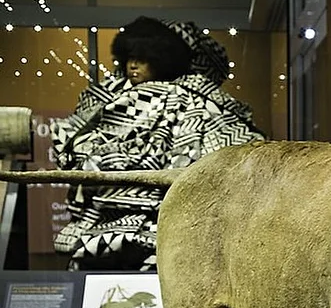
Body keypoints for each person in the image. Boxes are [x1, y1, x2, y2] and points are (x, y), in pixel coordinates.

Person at [50, 17, 266, 271]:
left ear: (161, 60)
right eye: (130, 58)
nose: (133, 65)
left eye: (143, 59)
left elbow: (235, 142)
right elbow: (74, 140)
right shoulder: (106, 96)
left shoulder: (191, 98)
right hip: (105, 211)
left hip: (162, 217)